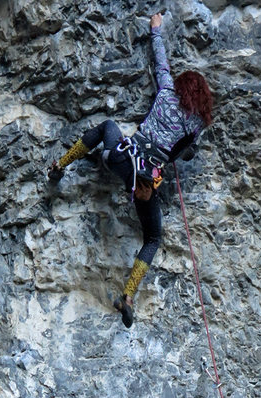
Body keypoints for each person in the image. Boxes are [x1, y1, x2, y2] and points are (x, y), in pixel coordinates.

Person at [48, 12, 213, 328]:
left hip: (123, 157)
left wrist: (156, 30)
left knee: (107, 126)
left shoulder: (166, 91)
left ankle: (59, 165)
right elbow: (186, 151)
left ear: (181, 87)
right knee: (152, 238)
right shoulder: (197, 125)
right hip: (147, 181)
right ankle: (127, 296)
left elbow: (160, 63)